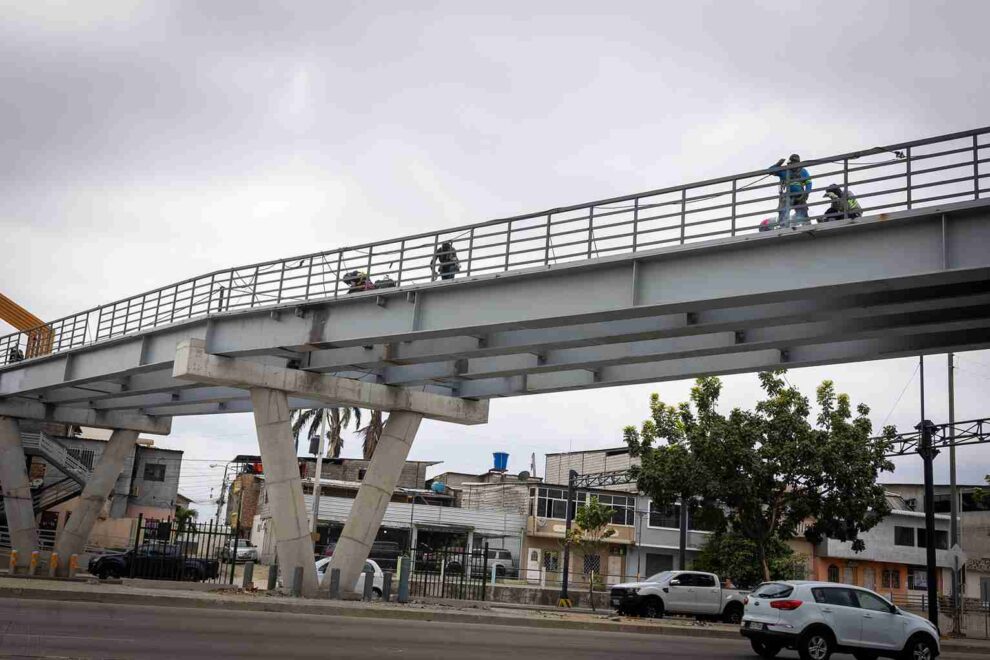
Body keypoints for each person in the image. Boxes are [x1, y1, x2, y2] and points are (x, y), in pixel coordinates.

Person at [769, 154, 812, 227]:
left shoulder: (803, 171)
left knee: (803, 212)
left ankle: (806, 226)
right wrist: (777, 164)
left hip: (800, 195)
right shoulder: (785, 170)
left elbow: (808, 183)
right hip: (788, 195)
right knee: (783, 210)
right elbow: (770, 171)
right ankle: (783, 226)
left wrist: (806, 193)